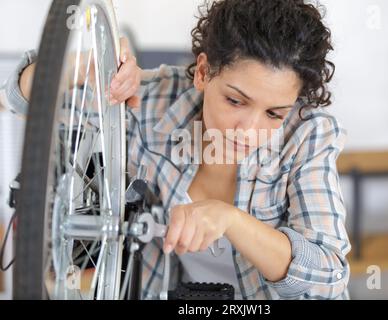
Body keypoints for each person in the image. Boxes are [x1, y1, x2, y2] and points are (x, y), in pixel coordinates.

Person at [1, 0, 351, 299]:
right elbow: (16, 100)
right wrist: (86, 67)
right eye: (234, 100)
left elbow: (329, 277)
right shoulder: (152, 102)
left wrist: (230, 219)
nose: (248, 130)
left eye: (274, 113)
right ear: (202, 72)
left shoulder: (308, 134)